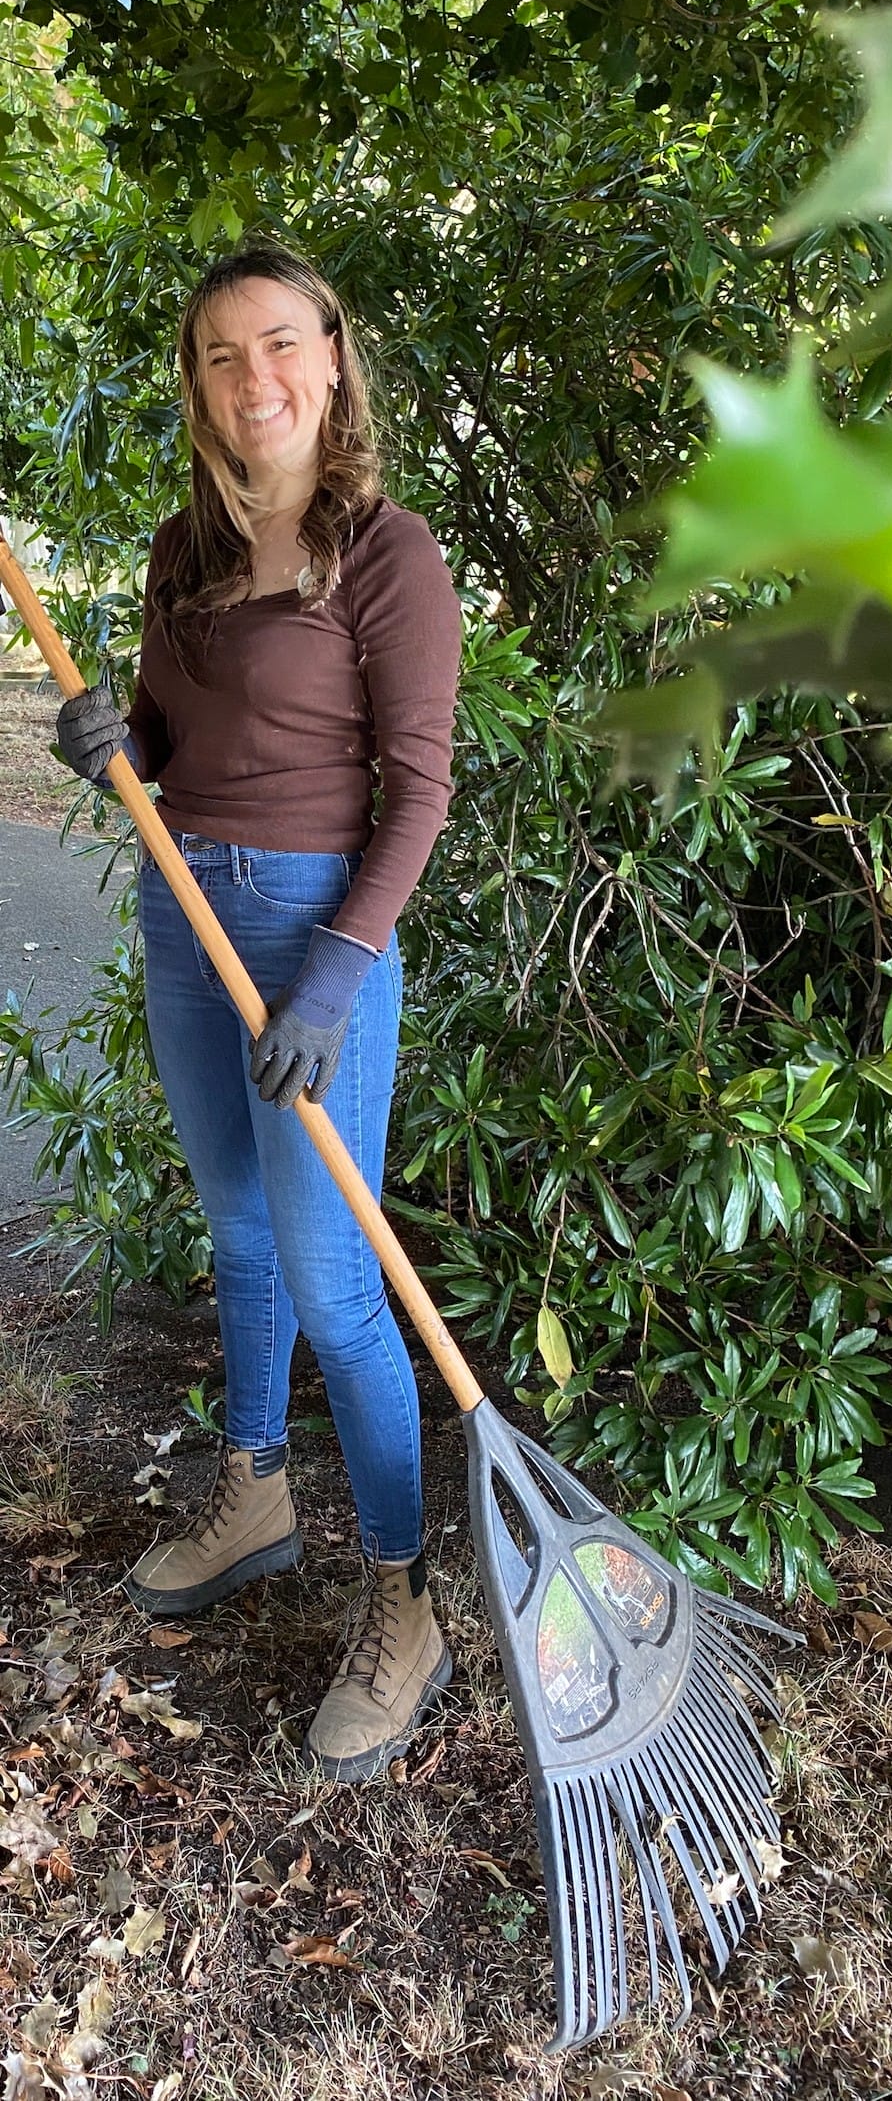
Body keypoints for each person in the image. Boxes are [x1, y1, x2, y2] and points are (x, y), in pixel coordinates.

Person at [54, 241, 462, 1784]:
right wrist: (112, 740)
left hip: (309, 935)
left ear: (333, 358)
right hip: (184, 915)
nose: (256, 381)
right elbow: (166, 741)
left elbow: (417, 792)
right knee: (236, 1233)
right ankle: (254, 1490)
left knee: (332, 1279)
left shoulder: (387, 553)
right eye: (223, 355)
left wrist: (341, 973)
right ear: (199, 385)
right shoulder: (183, 550)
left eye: (280, 344)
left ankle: (402, 1599)